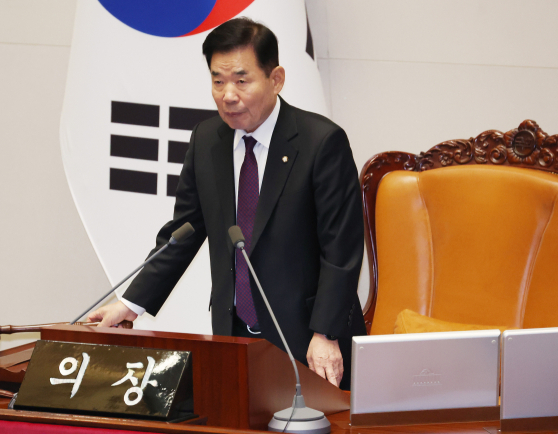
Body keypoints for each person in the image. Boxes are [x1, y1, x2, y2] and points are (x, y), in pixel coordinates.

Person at [88, 17, 366, 390]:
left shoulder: (321, 143)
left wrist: (326, 333)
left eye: (241, 80)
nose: (228, 95)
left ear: (276, 79)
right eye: (218, 81)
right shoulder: (208, 140)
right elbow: (183, 233)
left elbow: (341, 250)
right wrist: (130, 304)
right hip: (233, 337)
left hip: (308, 340)